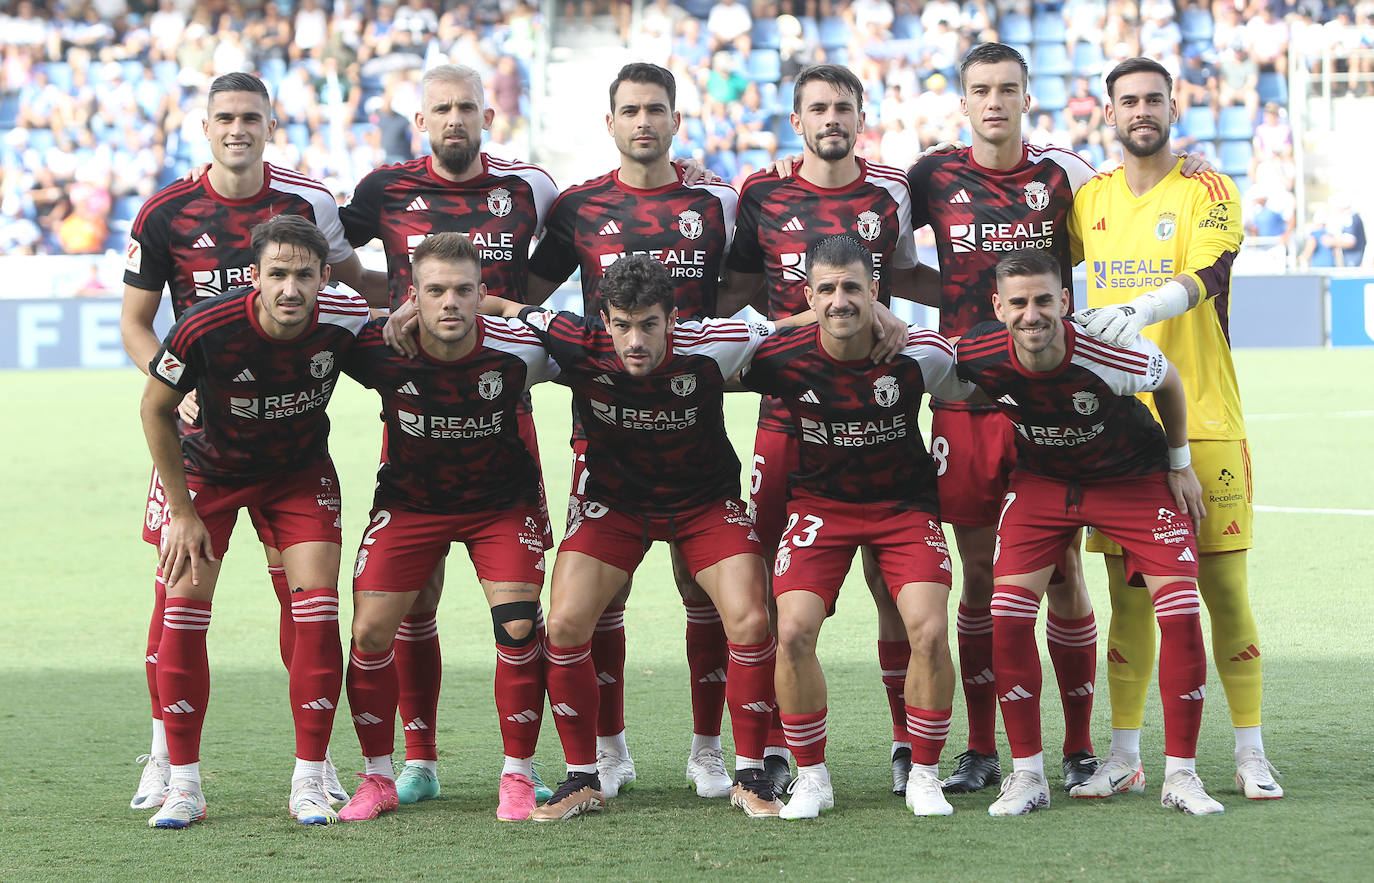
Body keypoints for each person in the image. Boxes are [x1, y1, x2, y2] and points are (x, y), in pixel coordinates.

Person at [120, 71, 383, 813]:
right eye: (225, 117)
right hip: (202, 438)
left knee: (305, 607)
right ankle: (168, 757)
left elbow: (358, 296)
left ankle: (314, 762)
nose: (238, 128)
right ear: (205, 126)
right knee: (175, 593)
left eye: (251, 117)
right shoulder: (167, 213)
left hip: (293, 455)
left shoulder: (308, 204)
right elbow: (138, 325)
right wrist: (182, 381)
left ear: (272, 124)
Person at [484, 254, 787, 821]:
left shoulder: (715, 341)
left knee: (750, 618)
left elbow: (796, 323)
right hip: (616, 506)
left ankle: (747, 772)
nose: (635, 339)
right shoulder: (576, 340)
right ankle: (583, 776)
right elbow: (506, 307)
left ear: (673, 319)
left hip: (703, 504)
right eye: (622, 324)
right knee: (568, 621)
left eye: (649, 323)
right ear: (604, 320)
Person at [340, 63, 560, 806]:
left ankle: (518, 773)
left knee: (520, 617)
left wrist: (508, 313)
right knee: (403, 610)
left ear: (488, 115)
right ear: (422, 119)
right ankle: (414, 763)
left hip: (502, 430)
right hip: (413, 450)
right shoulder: (383, 190)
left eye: (468, 106)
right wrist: (394, 306)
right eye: (442, 108)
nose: (455, 118)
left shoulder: (531, 188)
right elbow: (323, 261)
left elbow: (588, 243)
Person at [522, 62, 742, 801]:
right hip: (605, 434)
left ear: (676, 121)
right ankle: (607, 751)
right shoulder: (579, 206)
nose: (642, 121)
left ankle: (709, 751)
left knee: (701, 590)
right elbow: (523, 295)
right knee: (595, 603)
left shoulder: (717, 199)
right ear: (610, 122)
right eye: (629, 110)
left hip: (692, 429)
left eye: (656, 109)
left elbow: (754, 287)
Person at [1070, 56, 1281, 801]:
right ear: (1109, 111)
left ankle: (1249, 750)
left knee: (1222, 586)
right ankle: (1124, 755)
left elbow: (1213, 273)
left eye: (1153, 98)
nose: (1141, 111)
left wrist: (1140, 310)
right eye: (1127, 100)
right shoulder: (1088, 198)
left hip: (1210, 417)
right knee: (1128, 594)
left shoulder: (1207, 188)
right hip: (1117, 431)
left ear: (1173, 105)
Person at [956, 246, 1223, 816]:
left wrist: (1179, 463)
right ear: (998, 307)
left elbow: (1170, 382)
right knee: (1004, 614)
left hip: (1134, 479)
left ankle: (1181, 776)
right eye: (1020, 303)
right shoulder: (976, 351)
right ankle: (1027, 776)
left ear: (1066, 302)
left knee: (1178, 612)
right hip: (1044, 481)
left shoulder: (1108, 352)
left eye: (1045, 301)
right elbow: (929, 363)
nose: (1033, 314)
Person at [722, 62, 924, 797]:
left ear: (860, 116)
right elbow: (737, 301)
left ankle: (907, 743)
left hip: (881, 416)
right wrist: (828, 316)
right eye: (816, 108)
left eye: (842, 106)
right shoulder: (761, 193)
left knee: (891, 583)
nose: (830, 118)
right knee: (781, 586)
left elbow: (917, 273)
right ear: (796, 121)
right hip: (787, 420)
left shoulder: (893, 190)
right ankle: (779, 744)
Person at [904, 42, 1101, 795]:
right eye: (981, 89)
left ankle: (1078, 747)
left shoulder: (1063, 175)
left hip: (1043, 405)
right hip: (963, 401)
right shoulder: (931, 176)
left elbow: (1092, 259)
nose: (994, 101)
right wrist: (956, 295)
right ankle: (981, 749)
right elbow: (889, 259)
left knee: (1063, 569)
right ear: (963, 100)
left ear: (1027, 97)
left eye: (1007, 89)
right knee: (979, 574)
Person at [140, 214, 370, 828]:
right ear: (255, 277)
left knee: (318, 610)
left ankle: (311, 777)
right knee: (183, 614)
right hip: (207, 477)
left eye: (303, 275)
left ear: (325, 277)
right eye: (277, 275)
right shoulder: (203, 327)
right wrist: (183, 512)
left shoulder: (345, 320)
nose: (290, 289)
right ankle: (183, 784)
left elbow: (398, 347)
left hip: (297, 475)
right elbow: (154, 409)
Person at [740, 234, 976, 819]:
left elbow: (976, 382)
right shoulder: (781, 354)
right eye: (827, 290)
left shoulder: (920, 353)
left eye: (853, 288)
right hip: (821, 507)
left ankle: (924, 774)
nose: (840, 300)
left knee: (927, 630)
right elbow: (698, 356)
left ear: (876, 292)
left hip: (903, 507)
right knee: (791, 631)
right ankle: (813, 778)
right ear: (808, 296)